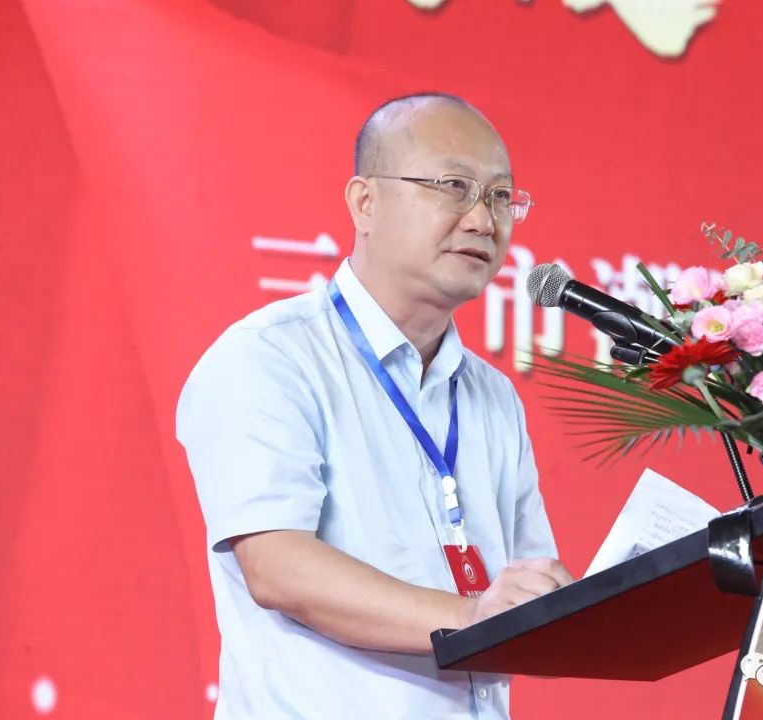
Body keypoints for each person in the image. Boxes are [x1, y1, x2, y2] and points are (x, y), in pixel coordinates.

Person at [176, 92, 573, 719]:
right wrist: (472, 614)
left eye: (501, 197)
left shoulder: (493, 397)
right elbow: (278, 569)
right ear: (365, 203)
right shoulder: (270, 357)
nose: (482, 220)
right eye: (454, 187)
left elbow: (524, 590)